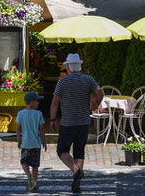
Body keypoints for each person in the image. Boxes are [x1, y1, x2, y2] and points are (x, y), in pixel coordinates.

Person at [50, 53, 103, 194]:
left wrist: (52, 119)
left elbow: (55, 102)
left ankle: (75, 171)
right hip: (84, 121)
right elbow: (99, 91)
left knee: (62, 150)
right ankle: (76, 182)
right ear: (79, 66)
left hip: (68, 122)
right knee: (79, 152)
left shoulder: (63, 81)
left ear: (68, 66)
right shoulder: (88, 79)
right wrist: (97, 103)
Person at [16, 91, 48, 192]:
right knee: (35, 165)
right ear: (32, 102)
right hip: (36, 144)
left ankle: (28, 175)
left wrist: (18, 140)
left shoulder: (20, 113)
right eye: (37, 100)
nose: (38, 102)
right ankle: (34, 184)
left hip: (25, 143)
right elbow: (41, 129)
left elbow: (18, 129)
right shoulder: (39, 114)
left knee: (24, 162)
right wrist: (44, 141)